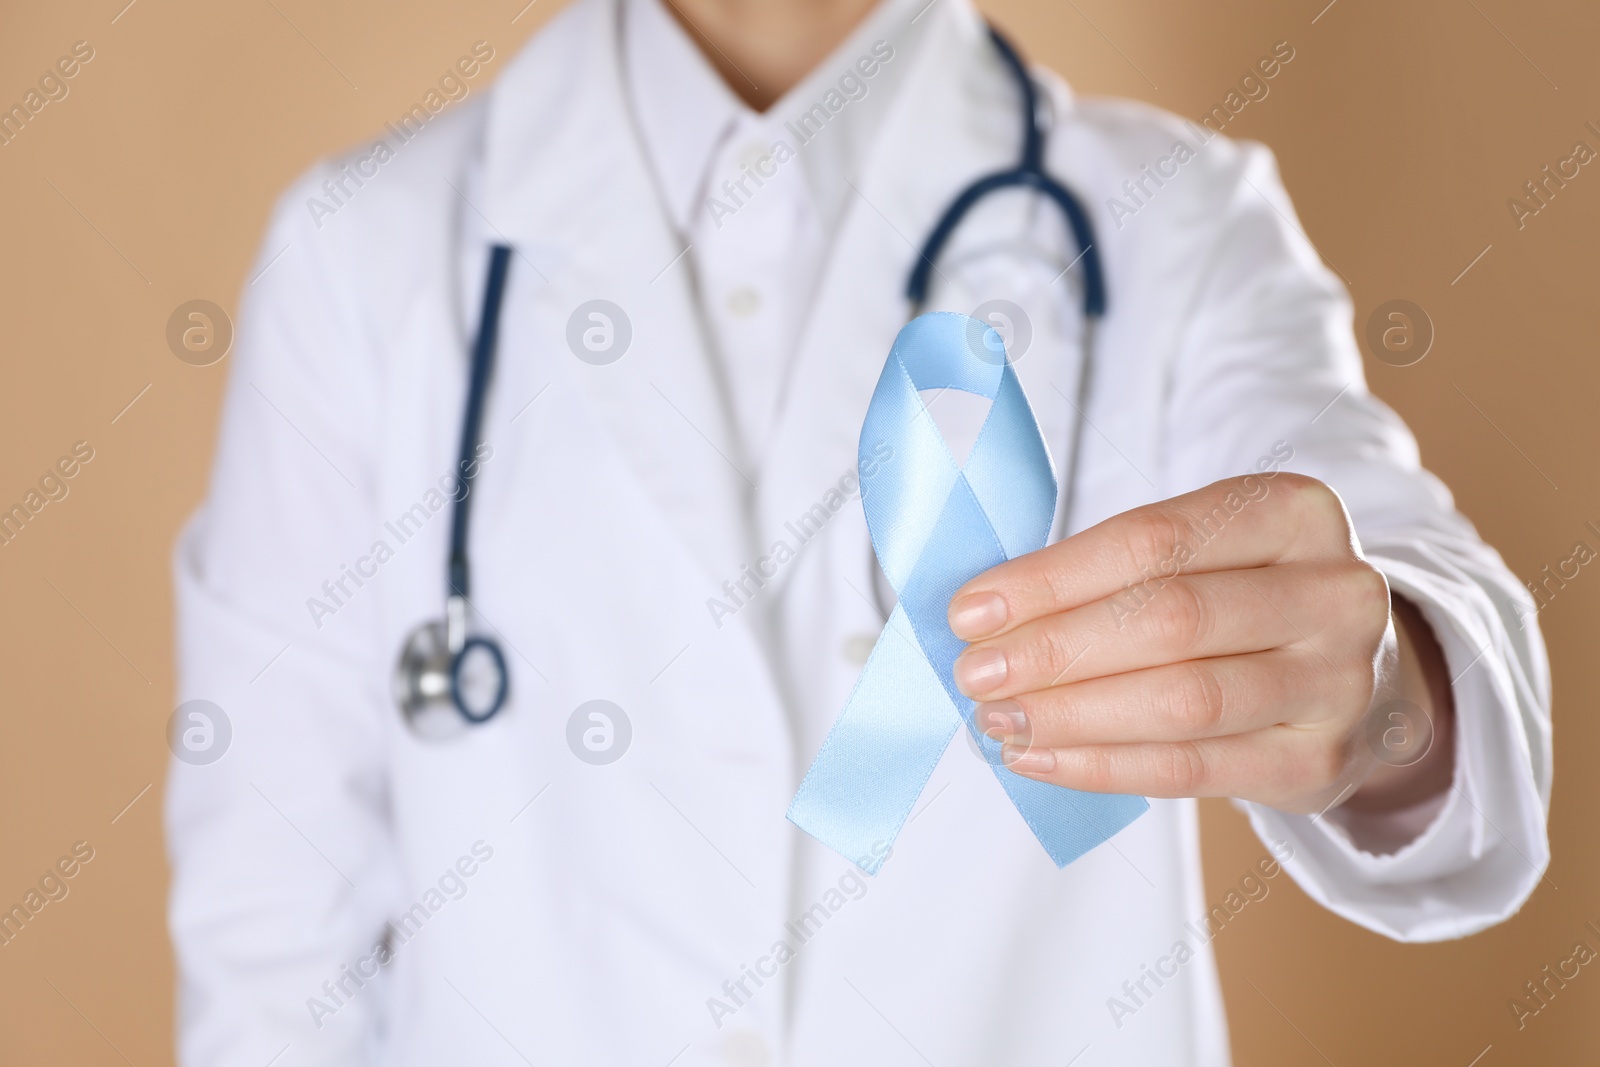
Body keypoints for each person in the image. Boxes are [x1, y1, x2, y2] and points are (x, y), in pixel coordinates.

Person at [165, 0, 1551, 1063]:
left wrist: (1382, 697)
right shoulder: (363, 258)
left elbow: (1412, 601)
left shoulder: (1173, 224)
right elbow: (271, 946)